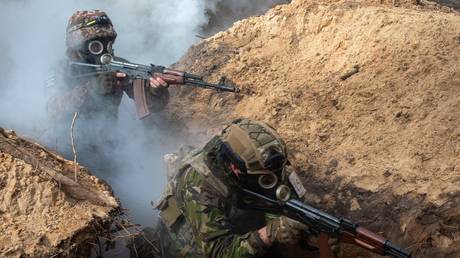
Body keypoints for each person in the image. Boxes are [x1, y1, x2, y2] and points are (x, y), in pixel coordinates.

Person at [132, 118, 332, 258]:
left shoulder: (267, 165)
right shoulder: (199, 185)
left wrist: (313, 231)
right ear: (236, 169)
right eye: (264, 180)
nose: (274, 182)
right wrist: (271, 233)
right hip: (198, 247)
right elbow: (218, 252)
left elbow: (289, 207)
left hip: (242, 228)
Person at [45, 10, 169, 168]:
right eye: (96, 45)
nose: (104, 50)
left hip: (107, 150)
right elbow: (52, 110)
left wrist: (155, 91)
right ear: (77, 44)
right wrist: (89, 90)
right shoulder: (60, 69)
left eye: (107, 44)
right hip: (66, 151)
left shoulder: (116, 66)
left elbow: (152, 105)